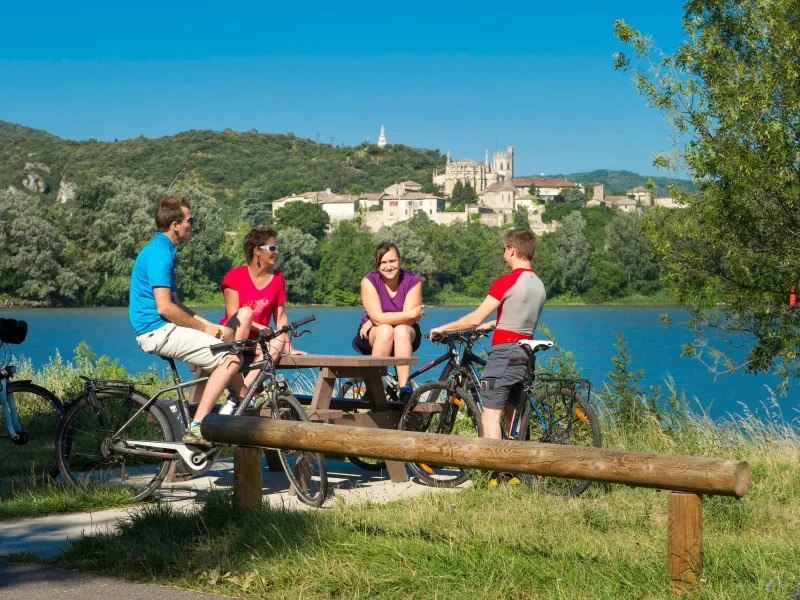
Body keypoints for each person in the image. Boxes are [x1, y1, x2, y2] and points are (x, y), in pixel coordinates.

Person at [129, 196, 248, 446]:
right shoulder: (160, 254)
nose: (192, 224)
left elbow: (178, 306)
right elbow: (165, 308)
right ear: (175, 224)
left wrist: (212, 328)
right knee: (232, 358)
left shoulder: (164, 250)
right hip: (157, 330)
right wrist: (207, 329)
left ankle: (242, 397)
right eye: (189, 220)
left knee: (227, 349)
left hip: (159, 328)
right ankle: (198, 427)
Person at [429, 228, 545, 464]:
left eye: (505, 249)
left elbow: (474, 319)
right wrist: (496, 324)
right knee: (514, 413)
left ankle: (498, 471)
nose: (504, 254)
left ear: (512, 249)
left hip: (505, 352)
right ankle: (517, 468)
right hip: (526, 353)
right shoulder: (539, 285)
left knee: (491, 415)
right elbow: (519, 317)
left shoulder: (507, 281)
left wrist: (443, 328)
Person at [219, 226, 305, 383]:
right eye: (272, 248)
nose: (276, 252)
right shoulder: (235, 276)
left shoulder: (278, 278)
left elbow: (281, 317)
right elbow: (233, 314)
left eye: (277, 248)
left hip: (257, 343)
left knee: (277, 342)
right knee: (245, 316)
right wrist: (263, 329)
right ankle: (242, 390)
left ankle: (246, 389)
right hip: (232, 339)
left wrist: (289, 346)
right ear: (256, 251)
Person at [353, 241, 424, 401]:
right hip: (373, 335)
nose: (388, 266)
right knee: (385, 329)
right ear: (377, 266)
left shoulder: (413, 281)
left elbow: (408, 320)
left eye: (392, 261)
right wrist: (374, 320)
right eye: (383, 262)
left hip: (406, 334)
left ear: (399, 261)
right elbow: (405, 315)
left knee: (400, 330)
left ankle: (405, 386)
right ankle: (375, 384)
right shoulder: (369, 281)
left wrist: (377, 318)